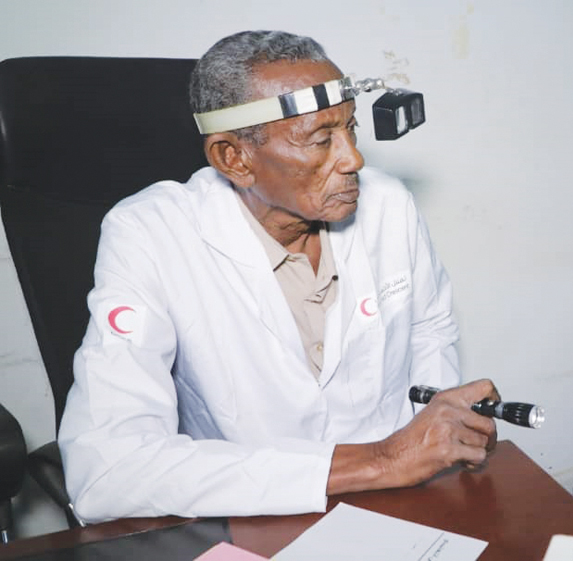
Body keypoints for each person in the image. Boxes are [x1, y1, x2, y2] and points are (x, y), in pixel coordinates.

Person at [58, 30, 498, 523]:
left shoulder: (388, 204)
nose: (353, 158)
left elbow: (429, 328)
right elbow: (107, 471)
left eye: (350, 129)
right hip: (255, 515)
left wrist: (437, 432)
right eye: (320, 139)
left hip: (399, 503)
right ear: (234, 158)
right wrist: (380, 460)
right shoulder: (150, 234)